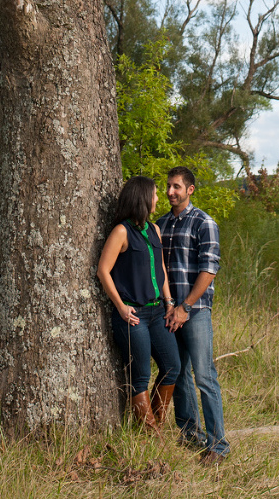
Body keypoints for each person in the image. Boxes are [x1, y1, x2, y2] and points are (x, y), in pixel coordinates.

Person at [97, 175, 181, 432]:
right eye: (155, 194)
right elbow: (103, 270)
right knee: (141, 376)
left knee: (172, 367)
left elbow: (161, 270)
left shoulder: (154, 230)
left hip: (158, 312)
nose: (158, 198)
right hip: (133, 315)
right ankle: (151, 434)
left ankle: (153, 424)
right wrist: (121, 306)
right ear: (143, 197)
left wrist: (168, 302)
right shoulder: (122, 231)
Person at [157, 166, 229, 462]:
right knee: (179, 374)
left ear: (190, 190)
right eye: (168, 186)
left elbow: (209, 269)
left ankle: (218, 446)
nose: (170, 192)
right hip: (169, 312)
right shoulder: (161, 224)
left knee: (204, 376)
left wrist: (185, 307)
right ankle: (190, 435)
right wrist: (171, 306)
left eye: (176, 186)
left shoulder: (204, 222)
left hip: (195, 312)